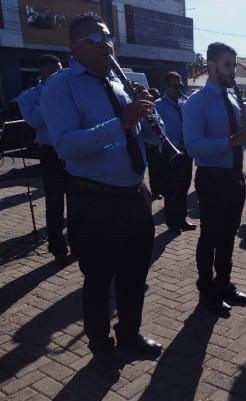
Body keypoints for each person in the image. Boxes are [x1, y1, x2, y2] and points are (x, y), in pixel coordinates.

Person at [41, 13, 162, 368]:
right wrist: (122, 121)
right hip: (95, 200)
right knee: (98, 279)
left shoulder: (119, 81)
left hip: (134, 195)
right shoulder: (61, 86)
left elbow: (142, 135)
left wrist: (152, 122)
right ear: (74, 47)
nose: (105, 46)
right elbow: (67, 146)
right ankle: (100, 345)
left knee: (135, 273)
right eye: (95, 40)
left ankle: (130, 332)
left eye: (108, 39)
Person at [183, 42, 246, 316]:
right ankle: (206, 292)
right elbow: (193, 146)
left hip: (236, 177)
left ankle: (223, 284)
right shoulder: (196, 103)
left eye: (234, 65)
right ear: (210, 66)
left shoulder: (234, 98)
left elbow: (241, 145)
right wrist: (232, 140)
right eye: (227, 65)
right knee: (210, 237)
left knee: (228, 235)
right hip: (212, 179)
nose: (232, 71)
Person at [18, 54, 71, 266]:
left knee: (77, 199)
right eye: (53, 72)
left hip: (72, 148)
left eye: (60, 70)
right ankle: (58, 247)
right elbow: (34, 120)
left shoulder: (69, 90)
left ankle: (78, 242)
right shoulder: (29, 96)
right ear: (41, 72)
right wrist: (52, 98)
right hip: (50, 152)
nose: (58, 75)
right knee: (55, 201)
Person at [155, 72, 196, 235]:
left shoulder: (184, 103)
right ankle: (171, 221)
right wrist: (173, 143)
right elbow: (157, 129)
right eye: (175, 86)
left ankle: (182, 219)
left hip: (186, 152)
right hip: (169, 153)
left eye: (180, 86)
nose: (179, 89)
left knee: (184, 186)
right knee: (172, 188)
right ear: (166, 87)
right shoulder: (159, 105)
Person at [145, 87, 164, 200]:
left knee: (160, 169)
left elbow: (162, 125)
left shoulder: (155, 109)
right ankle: (155, 192)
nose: (155, 99)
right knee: (153, 171)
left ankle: (160, 189)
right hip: (149, 146)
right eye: (153, 97)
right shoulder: (145, 110)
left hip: (158, 145)